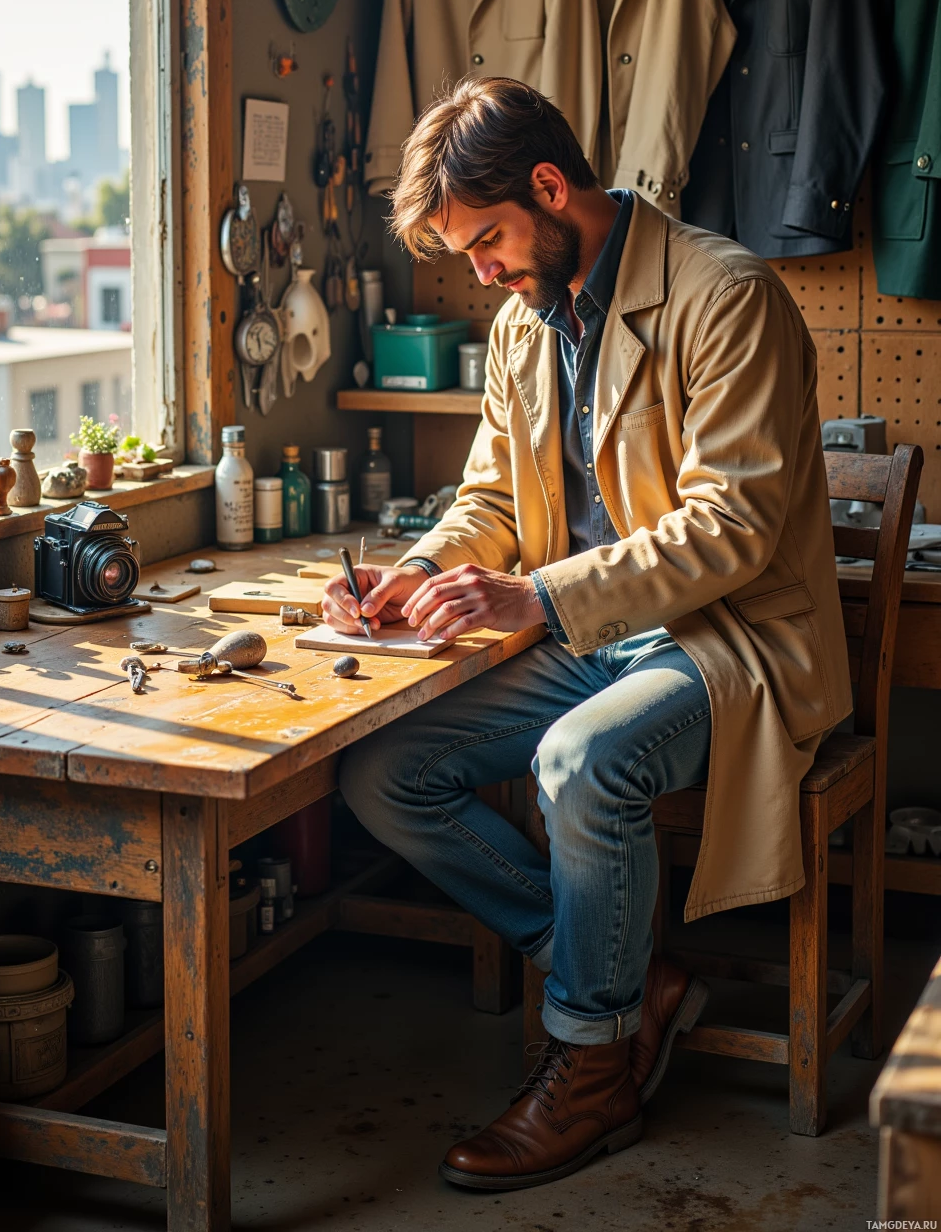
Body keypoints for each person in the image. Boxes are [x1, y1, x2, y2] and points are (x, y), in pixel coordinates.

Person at [325, 76, 850, 1192]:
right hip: (587, 637)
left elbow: (735, 528)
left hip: (723, 640)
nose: (482, 275)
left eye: (488, 242)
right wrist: (413, 574)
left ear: (551, 188)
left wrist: (537, 599)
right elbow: (494, 504)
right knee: (382, 773)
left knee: (581, 763)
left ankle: (592, 1067)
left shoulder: (726, 295)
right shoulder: (525, 322)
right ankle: (610, 978)